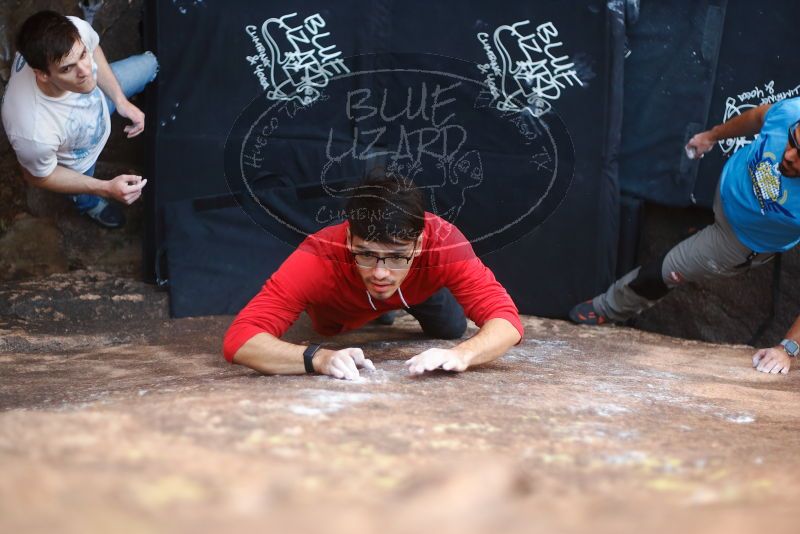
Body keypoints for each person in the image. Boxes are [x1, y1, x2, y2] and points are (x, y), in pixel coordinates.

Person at [569, 97, 800, 375]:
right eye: (793, 141)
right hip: (728, 188)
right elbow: (759, 117)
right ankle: (698, 234)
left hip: (737, 239)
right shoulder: (792, 112)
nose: (788, 156)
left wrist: (788, 348)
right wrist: (712, 135)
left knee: (663, 272)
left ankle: (608, 307)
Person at [223, 174, 524, 380]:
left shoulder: (444, 242)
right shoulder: (319, 254)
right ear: (351, 239)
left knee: (450, 329)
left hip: (421, 290)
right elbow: (240, 340)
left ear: (419, 245)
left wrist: (464, 354)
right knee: (326, 330)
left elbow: (508, 321)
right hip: (343, 309)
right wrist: (318, 358)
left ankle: (401, 302)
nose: (381, 273)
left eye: (396, 256)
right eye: (366, 254)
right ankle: (381, 311)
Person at [1, 10, 158, 228]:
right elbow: (37, 176)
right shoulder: (33, 132)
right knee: (84, 192)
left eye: (82, 55)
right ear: (42, 74)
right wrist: (104, 187)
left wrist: (120, 100)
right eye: (67, 68)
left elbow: (92, 47)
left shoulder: (73, 30)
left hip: (102, 100)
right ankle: (90, 205)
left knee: (150, 65)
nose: (87, 71)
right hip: (79, 160)